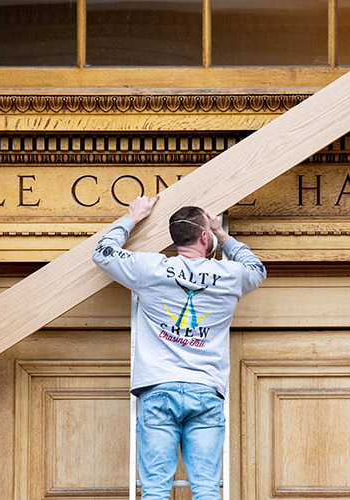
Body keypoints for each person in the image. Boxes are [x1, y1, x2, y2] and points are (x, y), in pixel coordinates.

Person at [92, 195, 266, 499]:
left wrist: (133, 217)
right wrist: (223, 236)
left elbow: (103, 253)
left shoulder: (151, 269)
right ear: (203, 236)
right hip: (205, 390)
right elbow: (257, 268)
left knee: (156, 489)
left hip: (158, 388)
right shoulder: (229, 275)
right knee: (207, 489)